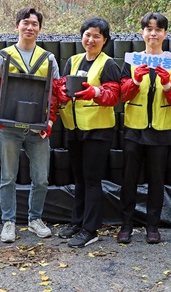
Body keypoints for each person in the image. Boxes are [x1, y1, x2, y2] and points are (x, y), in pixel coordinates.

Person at [0, 8, 60, 243]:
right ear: (17, 25)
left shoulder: (48, 59)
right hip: (8, 127)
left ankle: (34, 219)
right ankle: (8, 222)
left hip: (37, 128)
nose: (30, 27)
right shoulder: (2, 56)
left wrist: (49, 121)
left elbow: (55, 94)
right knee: (8, 176)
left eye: (34, 24)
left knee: (41, 179)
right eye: (25, 23)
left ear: (40, 28)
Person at [117, 13, 171, 244]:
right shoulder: (132, 60)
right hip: (133, 128)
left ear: (165, 33)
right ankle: (126, 225)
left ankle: (152, 226)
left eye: (158, 30)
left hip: (161, 129)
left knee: (157, 180)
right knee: (128, 179)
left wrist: (167, 84)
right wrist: (135, 80)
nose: (153, 34)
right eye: (148, 29)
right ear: (142, 33)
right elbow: (122, 94)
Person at [56, 18, 121, 248]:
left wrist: (95, 92)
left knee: (92, 180)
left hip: (97, 129)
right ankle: (78, 222)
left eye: (96, 36)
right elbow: (62, 87)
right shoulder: (73, 61)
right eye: (87, 34)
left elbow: (114, 96)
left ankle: (90, 229)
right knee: (80, 179)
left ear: (105, 40)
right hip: (74, 128)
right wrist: (62, 93)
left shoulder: (109, 64)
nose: (91, 40)